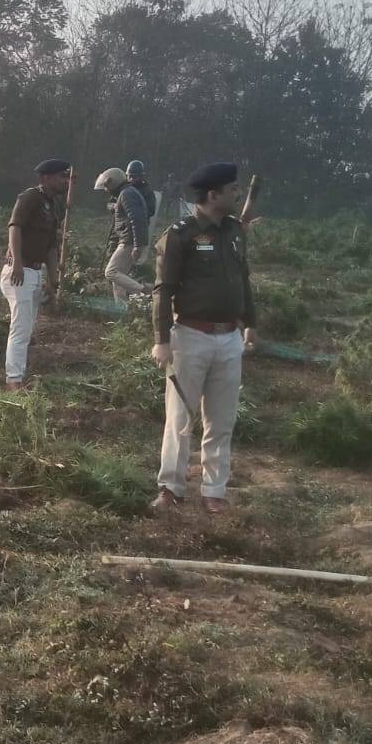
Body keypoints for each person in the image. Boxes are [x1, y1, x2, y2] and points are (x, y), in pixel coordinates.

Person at [150, 162, 257, 515]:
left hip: (229, 338)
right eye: (232, 189)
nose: (237, 193)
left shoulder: (233, 231)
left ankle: (214, 491)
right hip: (191, 337)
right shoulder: (180, 235)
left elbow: (243, 280)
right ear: (214, 195)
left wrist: (249, 322)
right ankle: (171, 488)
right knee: (180, 417)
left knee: (221, 420)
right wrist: (161, 339)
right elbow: (163, 291)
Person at [1, 158, 71, 390]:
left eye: (66, 176)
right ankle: (14, 380)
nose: (65, 181)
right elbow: (15, 227)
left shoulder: (53, 206)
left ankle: (18, 371)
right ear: (45, 178)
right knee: (21, 328)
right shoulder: (30, 198)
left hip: (34, 272)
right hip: (19, 271)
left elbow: (51, 246)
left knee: (28, 327)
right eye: (61, 176)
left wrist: (53, 279)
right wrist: (18, 263)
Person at [95, 166, 152, 304]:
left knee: (111, 272)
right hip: (130, 239)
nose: (106, 190)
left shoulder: (126, 194)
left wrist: (137, 245)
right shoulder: (127, 192)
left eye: (106, 186)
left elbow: (136, 219)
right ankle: (121, 311)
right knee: (119, 278)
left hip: (129, 240)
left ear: (113, 182)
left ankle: (144, 290)